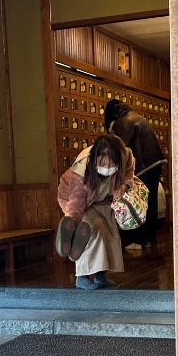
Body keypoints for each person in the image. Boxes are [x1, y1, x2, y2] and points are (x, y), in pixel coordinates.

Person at [56, 134, 135, 289]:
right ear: (95, 158)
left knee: (109, 233)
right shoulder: (81, 172)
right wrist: (73, 222)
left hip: (103, 201)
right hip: (78, 201)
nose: (107, 168)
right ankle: (82, 276)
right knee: (91, 230)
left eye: (111, 163)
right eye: (102, 163)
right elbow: (76, 204)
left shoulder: (125, 155)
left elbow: (129, 169)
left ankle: (100, 274)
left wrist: (124, 186)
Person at [103, 98, 166, 249]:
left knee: (136, 202)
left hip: (143, 166)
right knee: (149, 201)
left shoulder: (122, 123)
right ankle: (148, 239)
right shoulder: (135, 116)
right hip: (156, 163)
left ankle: (137, 240)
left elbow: (120, 151)